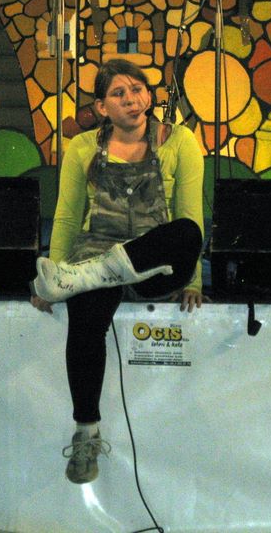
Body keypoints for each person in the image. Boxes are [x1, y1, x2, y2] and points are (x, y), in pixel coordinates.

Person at [30, 58, 206, 484]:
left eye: (138, 89)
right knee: (86, 316)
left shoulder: (179, 140)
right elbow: (67, 217)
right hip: (96, 252)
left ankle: (91, 275)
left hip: (153, 262)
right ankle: (86, 432)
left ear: (149, 95)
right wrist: (56, 277)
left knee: (186, 231)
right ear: (102, 107)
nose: (132, 99)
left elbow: (189, 211)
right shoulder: (82, 147)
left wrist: (195, 280)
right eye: (119, 93)